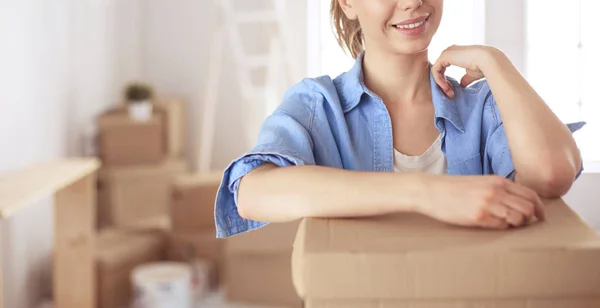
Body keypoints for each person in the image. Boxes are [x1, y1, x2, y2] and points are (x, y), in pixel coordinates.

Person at [213, 0, 585, 238]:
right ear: (348, 3)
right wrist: (426, 193)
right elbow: (250, 193)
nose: (412, 2)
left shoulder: (483, 107)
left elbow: (553, 175)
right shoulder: (318, 107)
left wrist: (494, 61)